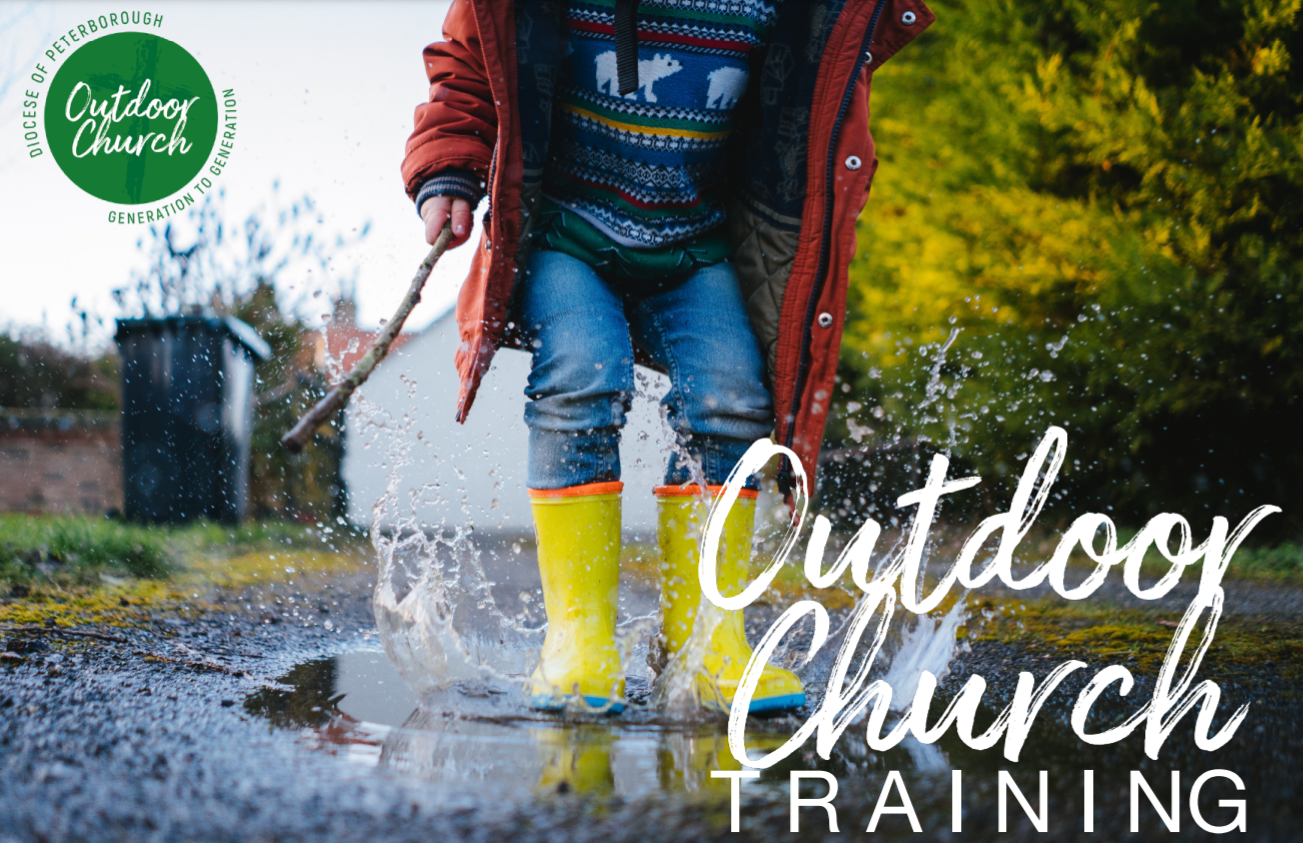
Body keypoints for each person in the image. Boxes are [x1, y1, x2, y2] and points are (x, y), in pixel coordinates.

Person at [402, 0, 934, 714]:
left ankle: (709, 641)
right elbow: (468, 67)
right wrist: (448, 171)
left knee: (732, 400)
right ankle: (578, 639)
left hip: (693, 239)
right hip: (569, 229)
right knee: (583, 373)